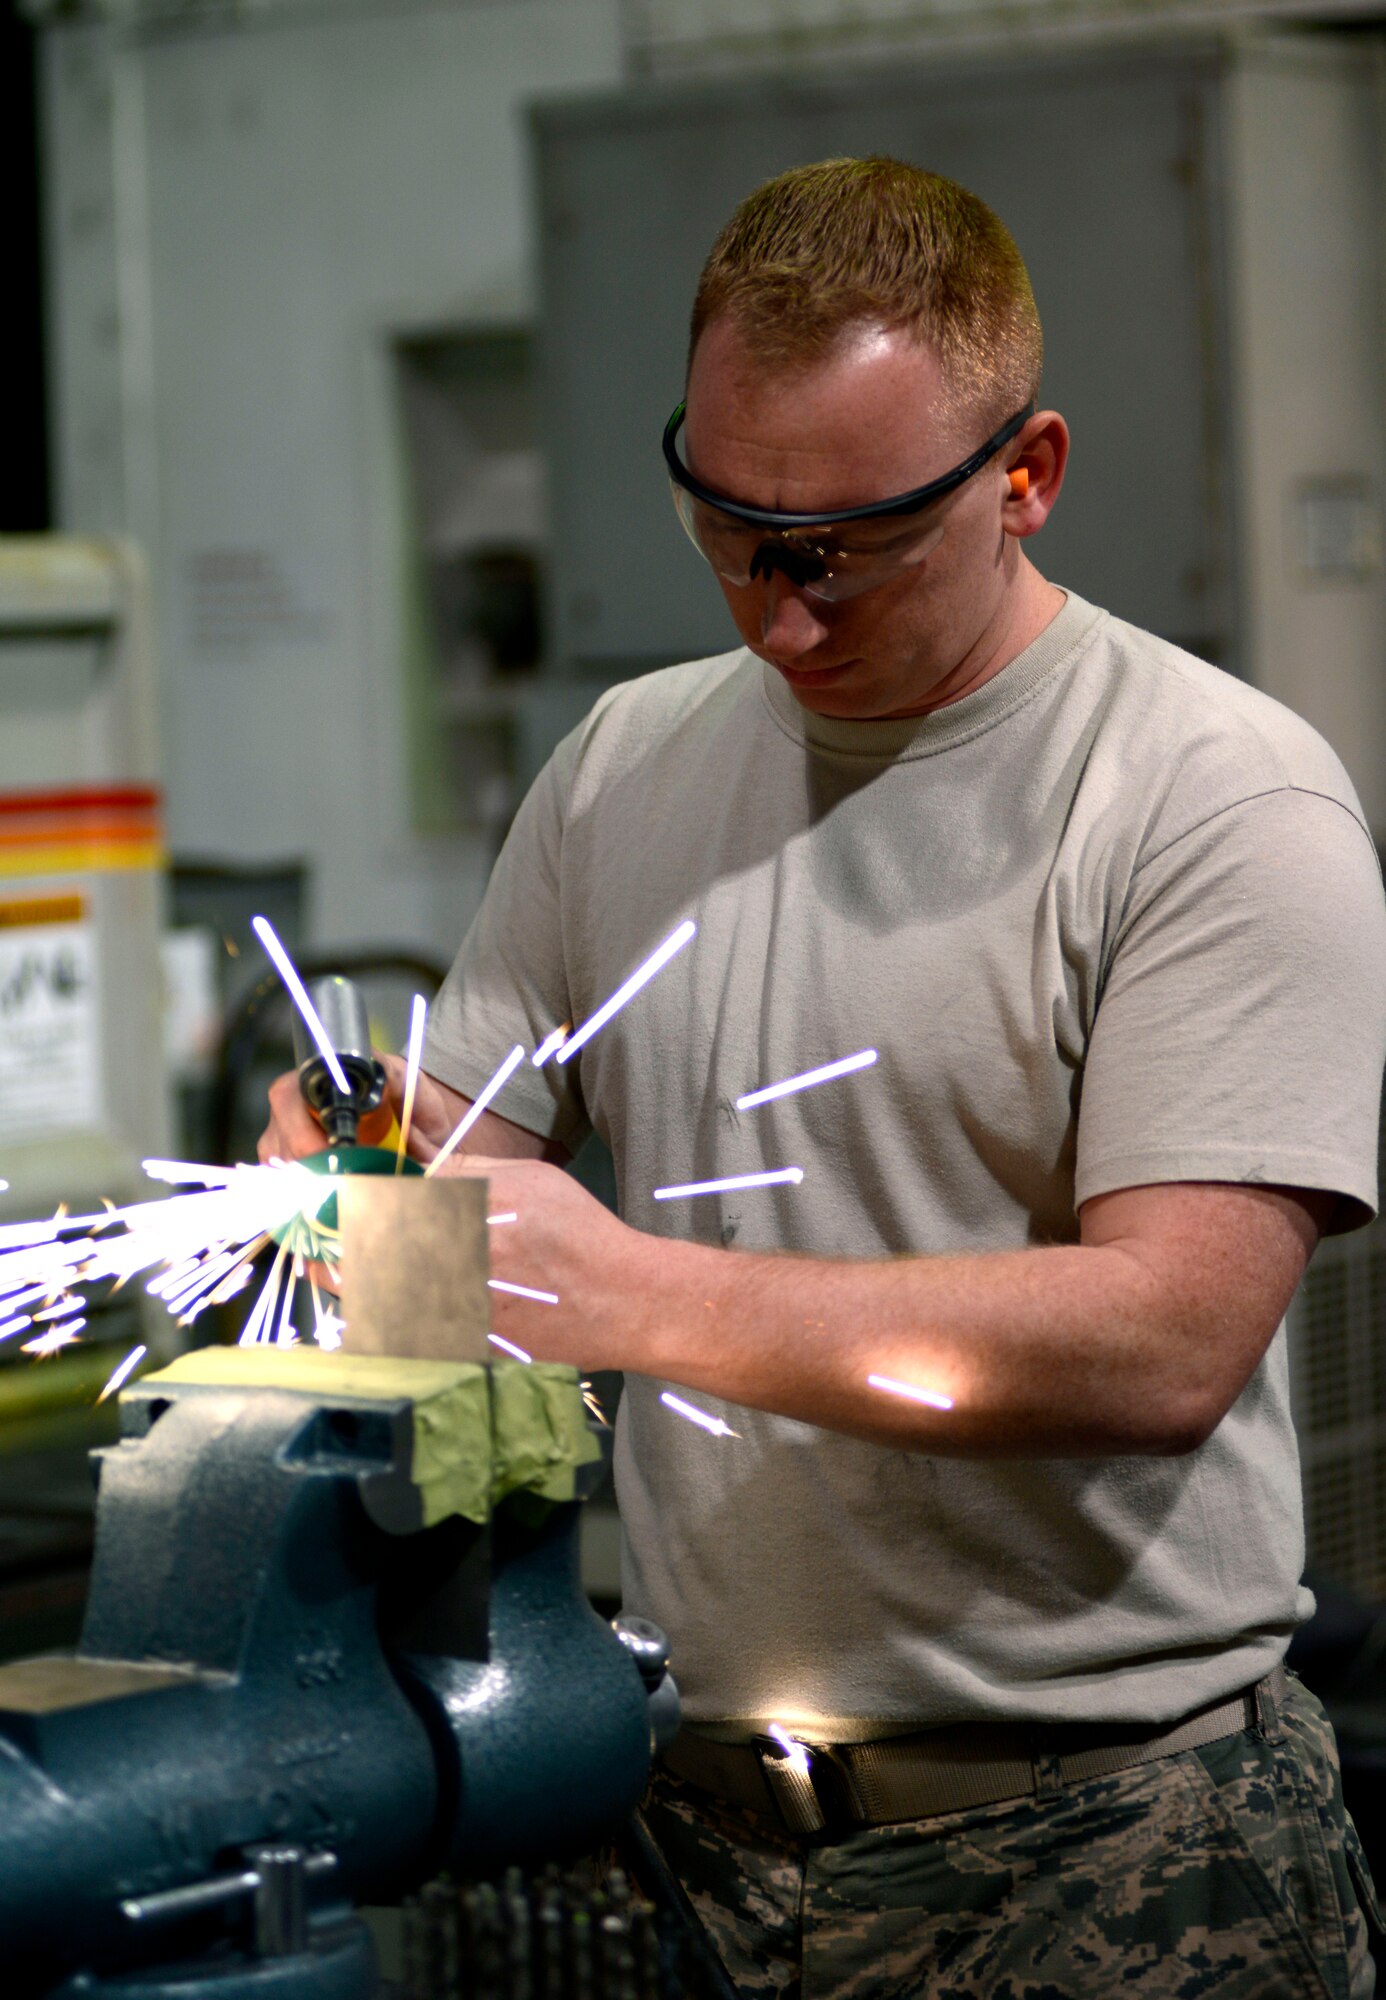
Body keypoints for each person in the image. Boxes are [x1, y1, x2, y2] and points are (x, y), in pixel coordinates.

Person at [263, 158, 1386, 1996]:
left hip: (1107, 1858)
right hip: (691, 1838)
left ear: (1022, 476)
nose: (772, 617)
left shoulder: (1207, 801)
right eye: (723, 527)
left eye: (838, 551)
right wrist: (360, 1190)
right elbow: (450, 1205)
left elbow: (1170, 1339)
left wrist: (632, 1292)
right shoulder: (627, 763)